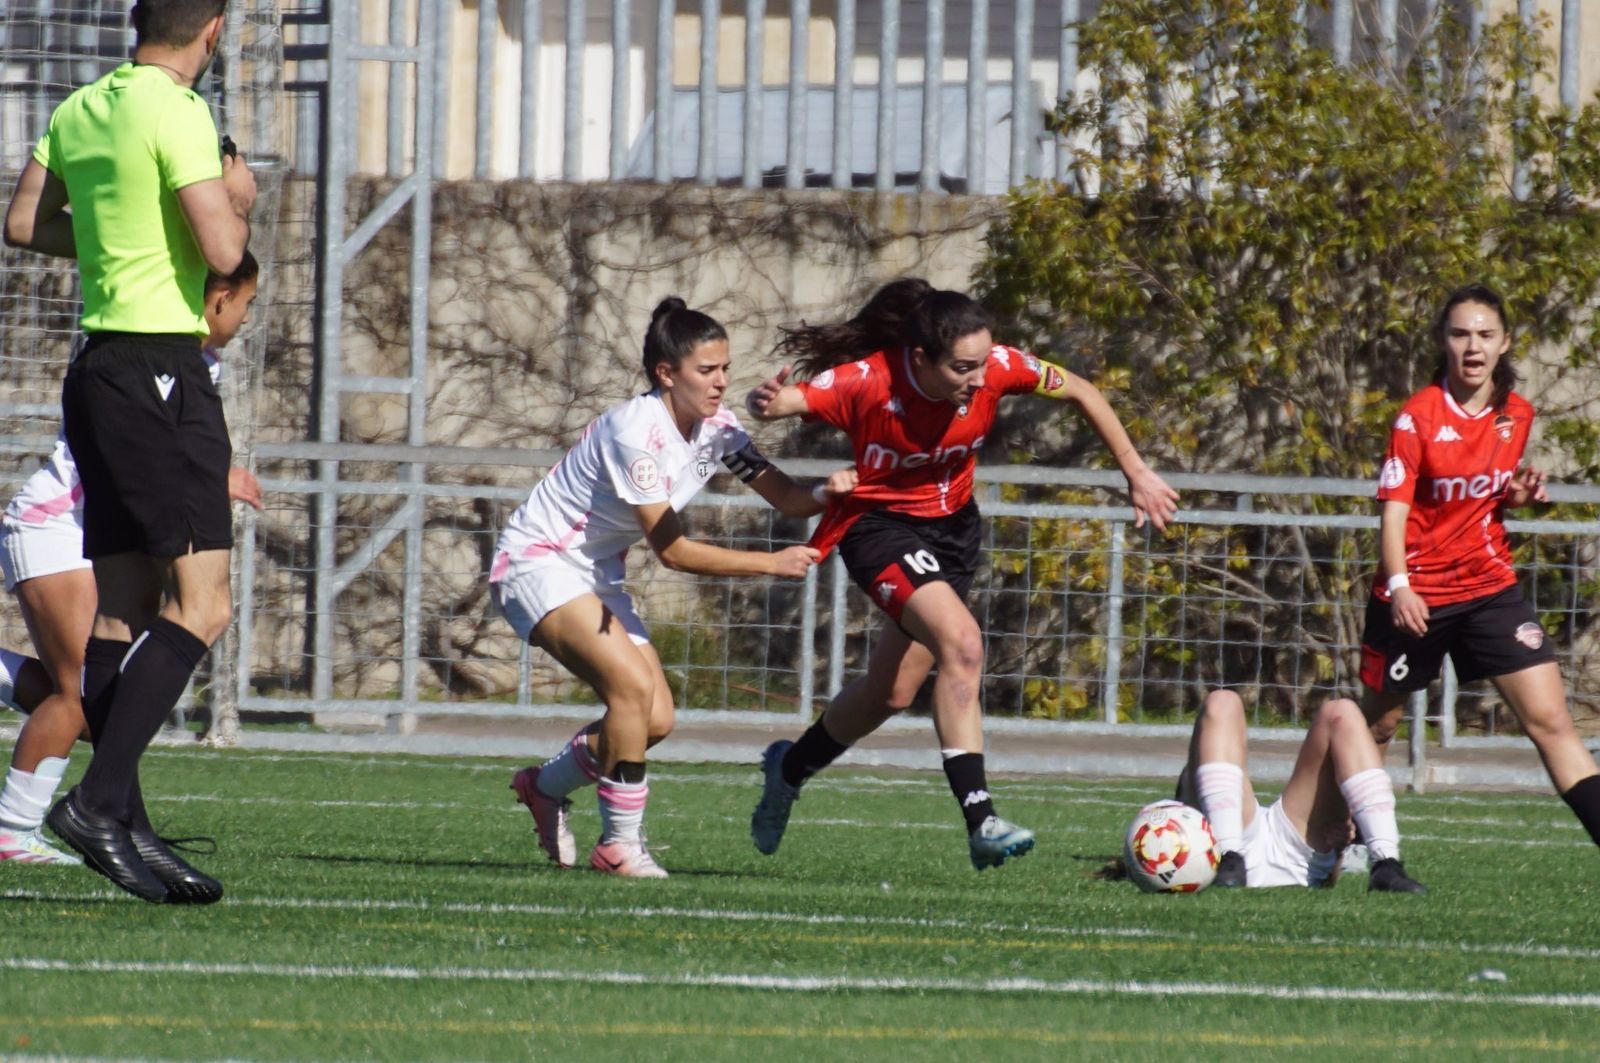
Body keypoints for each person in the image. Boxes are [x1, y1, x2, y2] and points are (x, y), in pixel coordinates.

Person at [744, 279, 1180, 869]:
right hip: (879, 528)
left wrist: (1136, 471)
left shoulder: (996, 366)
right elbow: (779, 403)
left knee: (891, 692)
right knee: (964, 643)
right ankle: (981, 818)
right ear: (919, 358)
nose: (979, 381)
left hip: (953, 532)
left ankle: (788, 768)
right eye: (962, 368)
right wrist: (762, 400)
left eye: (982, 363)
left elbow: (1080, 389)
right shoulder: (866, 380)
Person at [3, 0, 256, 903]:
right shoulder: (179, 110)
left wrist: (117, 238)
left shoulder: (80, 106)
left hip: (96, 369)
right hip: (160, 368)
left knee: (125, 608)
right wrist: (236, 197)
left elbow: (25, 225)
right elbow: (225, 250)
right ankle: (99, 800)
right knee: (205, 602)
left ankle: (129, 822)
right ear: (213, 30)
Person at [495, 298, 855, 879]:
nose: (721, 382)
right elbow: (674, 551)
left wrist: (828, 494)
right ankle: (620, 847)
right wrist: (770, 564)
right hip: (538, 562)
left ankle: (543, 786)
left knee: (653, 719)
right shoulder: (634, 432)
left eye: (725, 368)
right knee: (632, 693)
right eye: (706, 370)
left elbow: (788, 497)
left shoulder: (721, 431)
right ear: (666, 373)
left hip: (595, 574)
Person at [0, 257, 263, 866]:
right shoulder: (148, 358)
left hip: (81, 526)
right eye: (246, 303)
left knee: (98, 704)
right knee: (79, 700)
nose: (246, 319)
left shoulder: (192, 365)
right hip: (55, 525)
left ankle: (107, 820)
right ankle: (14, 829)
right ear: (218, 296)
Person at [1360, 283, 1600, 853]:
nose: (1473, 346)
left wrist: (1520, 495)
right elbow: (1393, 516)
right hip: (1417, 594)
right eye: (1461, 333)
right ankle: (1341, 839)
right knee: (1377, 727)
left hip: (1490, 589)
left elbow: (1489, 499)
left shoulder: (1515, 413)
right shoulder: (1416, 418)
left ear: (1504, 343)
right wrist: (1400, 588)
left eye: (1485, 335)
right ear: (1444, 342)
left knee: (1551, 721)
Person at [1176, 689, 1425, 892]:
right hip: (1224, 840)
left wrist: (1339, 849)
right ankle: (1229, 856)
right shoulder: (1188, 807)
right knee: (1222, 701)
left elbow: (1331, 876)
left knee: (1342, 711)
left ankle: (1386, 864)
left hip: (1296, 853)